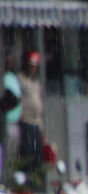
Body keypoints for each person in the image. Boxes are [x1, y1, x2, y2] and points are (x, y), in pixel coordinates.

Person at [15, 51, 42, 186]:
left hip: (36, 122)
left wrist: (42, 127)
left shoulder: (36, 81)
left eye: (35, 65)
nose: (33, 68)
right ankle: (24, 184)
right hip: (25, 121)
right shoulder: (20, 79)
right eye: (31, 65)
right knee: (27, 154)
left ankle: (35, 182)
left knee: (37, 155)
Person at [2, 53, 20, 177]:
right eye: (8, 61)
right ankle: (5, 180)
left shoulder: (13, 77)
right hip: (6, 121)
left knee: (13, 154)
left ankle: (11, 179)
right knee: (7, 153)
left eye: (11, 61)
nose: (10, 64)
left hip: (16, 121)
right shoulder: (4, 77)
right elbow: (8, 98)